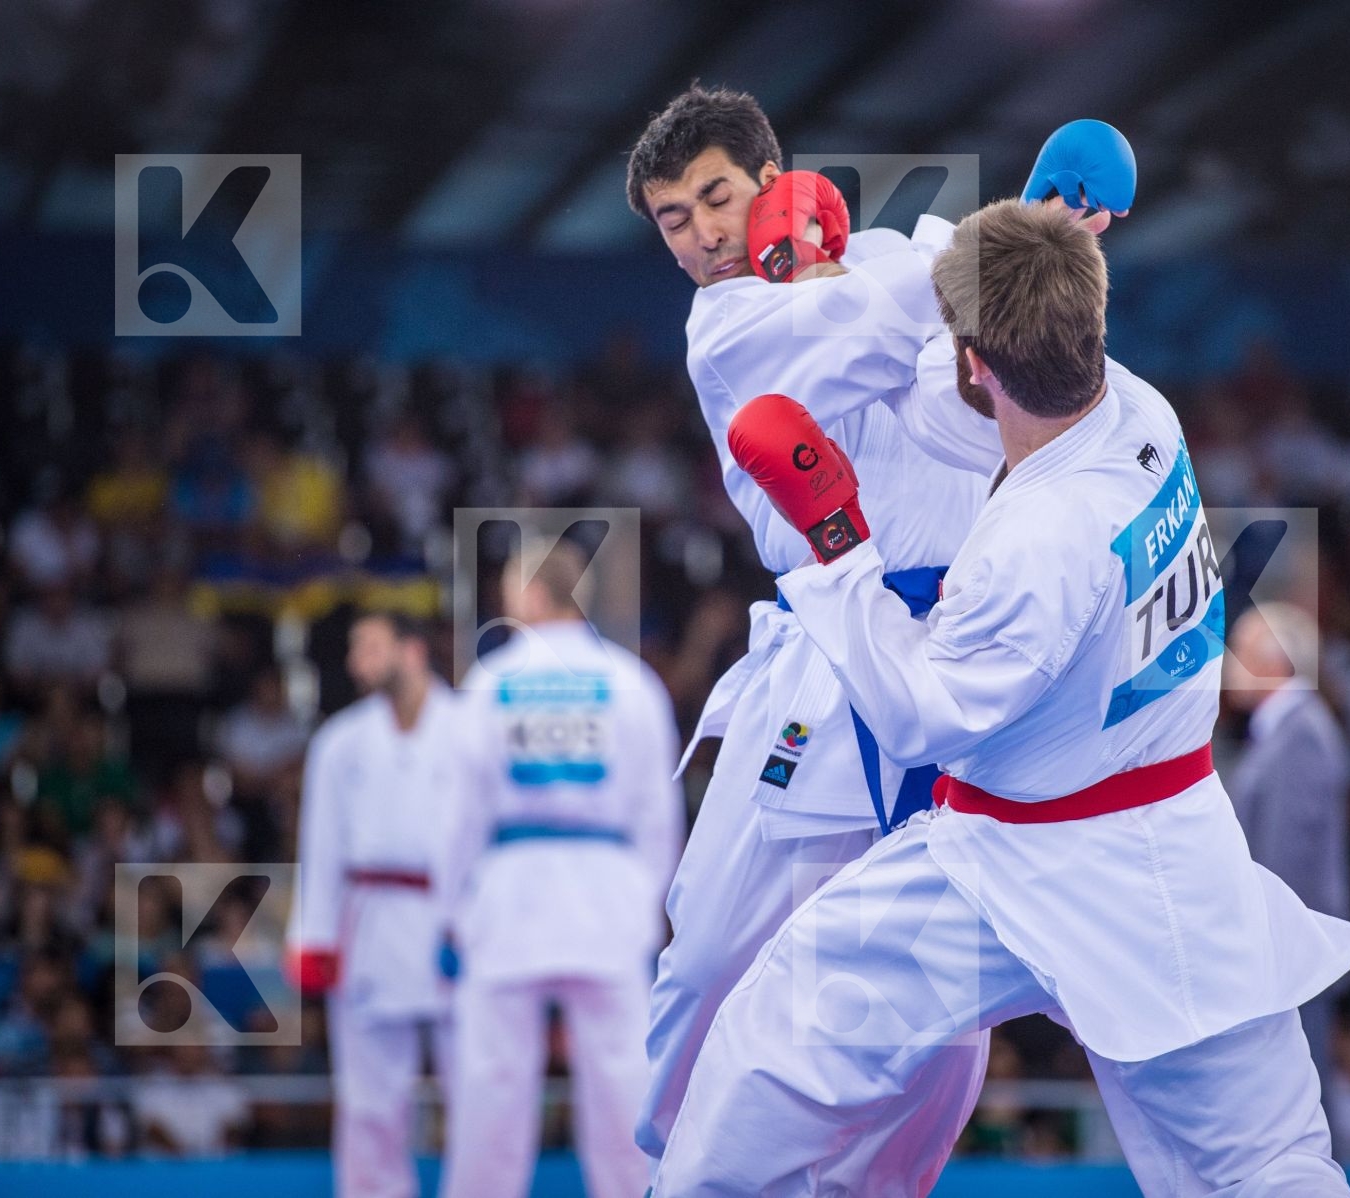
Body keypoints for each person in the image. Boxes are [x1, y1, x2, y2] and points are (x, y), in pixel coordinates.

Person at [652, 200, 1350, 1196]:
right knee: (1268, 1162)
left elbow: (914, 716)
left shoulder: (1029, 543)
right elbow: (1034, 320)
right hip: (1171, 850)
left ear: (972, 367)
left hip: (1010, 851)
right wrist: (1028, 229)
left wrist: (835, 547)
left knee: (765, 1053)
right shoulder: (1145, 415)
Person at [623, 87, 1130, 1182]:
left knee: (935, 1006)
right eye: (673, 218)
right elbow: (849, 331)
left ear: (770, 177)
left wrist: (1027, 256)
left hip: (953, 654)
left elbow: (987, 399)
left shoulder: (905, 255)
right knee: (711, 949)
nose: (702, 231)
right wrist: (1011, 238)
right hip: (822, 650)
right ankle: (671, 1162)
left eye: (716, 197)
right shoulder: (728, 326)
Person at [436, 544, 683, 1198]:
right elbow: (659, 810)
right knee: (624, 1083)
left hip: (510, 893)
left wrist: (451, 910)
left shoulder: (491, 683)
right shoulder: (631, 681)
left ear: (531, 595)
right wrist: (647, 904)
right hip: (609, 894)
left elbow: (460, 813)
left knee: (491, 1085)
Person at [284, 613, 464, 1198]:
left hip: (455, 921)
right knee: (370, 1100)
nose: (357, 660)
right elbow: (321, 843)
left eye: (371, 646)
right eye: (355, 649)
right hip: (371, 919)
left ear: (412, 650)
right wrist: (314, 939)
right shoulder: (340, 741)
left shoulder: (469, 728)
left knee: (479, 1092)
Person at [1223, 601, 1350, 1093]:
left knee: (1301, 1099)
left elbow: (1284, 862)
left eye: (1237, 652)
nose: (1226, 666)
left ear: (1272, 662)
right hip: (1287, 952)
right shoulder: (1289, 731)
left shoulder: (1300, 735)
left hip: (1291, 955)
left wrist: (1260, 951)